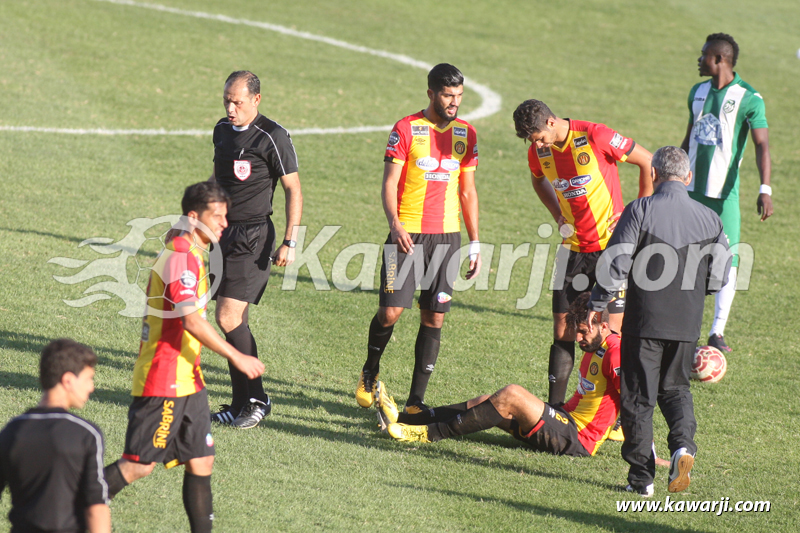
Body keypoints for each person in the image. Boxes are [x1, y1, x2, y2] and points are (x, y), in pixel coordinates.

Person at [102, 182, 265, 533]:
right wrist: (237, 356)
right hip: (163, 379)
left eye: (225, 215)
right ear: (195, 217)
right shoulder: (181, 259)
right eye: (216, 216)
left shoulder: (188, 248)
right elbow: (190, 319)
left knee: (201, 461)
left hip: (189, 380)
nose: (224, 223)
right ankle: (71, 502)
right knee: (139, 465)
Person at [588, 146, 732, 496]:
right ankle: (683, 448)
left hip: (644, 322)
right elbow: (722, 274)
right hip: (686, 323)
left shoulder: (641, 209)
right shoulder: (711, 218)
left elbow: (617, 262)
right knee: (676, 389)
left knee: (638, 398)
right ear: (688, 178)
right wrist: (700, 291)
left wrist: (597, 301)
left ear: (653, 174)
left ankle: (642, 480)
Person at [355, 63, 481, 418]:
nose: (454, 102)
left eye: (458, 95)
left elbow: (468, 192)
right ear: (431, 94)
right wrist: (394, 224)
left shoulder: (467, 134)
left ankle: (415, 402)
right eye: (447, 95)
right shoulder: (406, 128)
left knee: (434, 317)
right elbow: (390, 182)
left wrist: (475, 243)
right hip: (407, 236)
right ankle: (370, 371)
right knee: (391, 311)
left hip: (447, 239)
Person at [512, 99, 653, 409]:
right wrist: (555, 213)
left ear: (550, 122)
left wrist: (640, 217)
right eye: (531, 141)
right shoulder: (539, 152)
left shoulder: (595, 136)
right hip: (571, 251)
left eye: (538, 137)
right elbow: (538, 181)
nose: (536, 144)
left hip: (610, 251)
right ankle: (555, 411)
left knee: (611, 336)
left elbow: (648, 161)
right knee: (564, 331)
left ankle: (619, 418)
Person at [381, 293, 620, 458]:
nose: (578, 339)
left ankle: (428, 435)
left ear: (604, 327)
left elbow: (635, 402)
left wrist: (645, 452)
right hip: (565, 421)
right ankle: (404, 420)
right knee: (486, 402)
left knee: (512, 394)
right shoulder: (593, 346)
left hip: (578, 439)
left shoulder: (616, 352)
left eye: (582, 332)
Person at [208, 70, 303, 428]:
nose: (231, 109)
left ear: (256, 100)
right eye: (227, 101)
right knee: (234, 320)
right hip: (223, 234)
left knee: (228, 318)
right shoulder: (220, 131)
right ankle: (239, 402)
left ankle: (258, 398)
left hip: (254, 236)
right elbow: (217, 181)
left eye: (238, 102)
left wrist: (290, 241)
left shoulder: (272, 136)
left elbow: (294, 189)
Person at [680, 32, 773, 353]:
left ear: (720, 60)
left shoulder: (749, 97)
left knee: (727, 261)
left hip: (724, 196)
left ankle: (717, 332)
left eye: (704, 54)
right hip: (688, 190)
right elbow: (689, 137)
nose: (699, 59)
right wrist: (672, 178)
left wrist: (765, 188)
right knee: (682, 259)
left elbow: (762, 145)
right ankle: (681, 327)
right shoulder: (697, 91)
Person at [0, 338, 111, 533]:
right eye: (88, 379)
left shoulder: (12, 431)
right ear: (68, 380)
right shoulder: (85, 434)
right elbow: (96, 507)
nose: (91, 387)